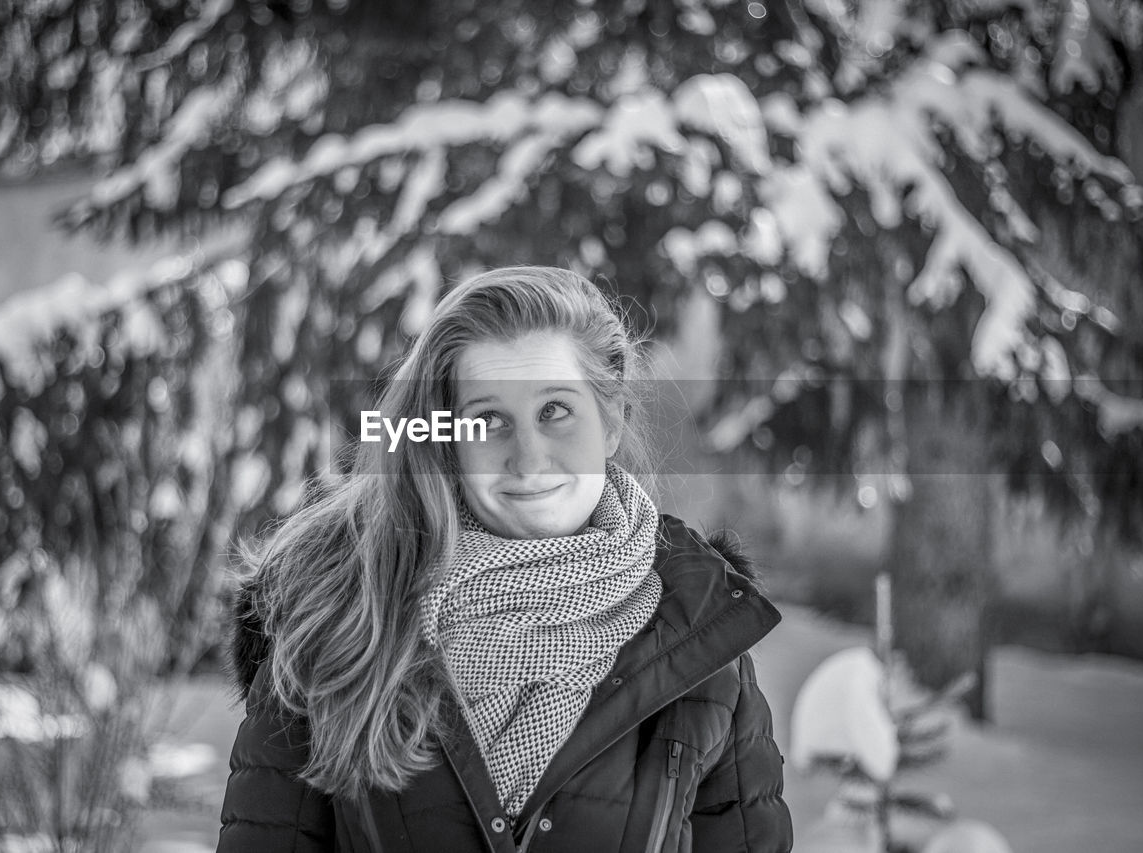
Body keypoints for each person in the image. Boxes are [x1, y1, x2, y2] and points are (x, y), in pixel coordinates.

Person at [217, 266, 792, 852]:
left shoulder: (703, 647)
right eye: (488, 420)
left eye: (555, 411)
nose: (528, 459)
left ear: (611, 420)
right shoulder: (336, 619)